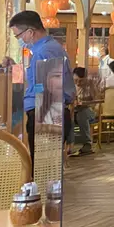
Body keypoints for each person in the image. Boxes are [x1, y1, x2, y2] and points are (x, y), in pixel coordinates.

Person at [9, 10, 74, 160]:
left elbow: (48, 90)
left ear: (30, 32)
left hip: (45, 114)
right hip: (46, 112)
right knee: (44, 164)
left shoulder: (45, 51)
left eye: (18, 36)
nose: (19, 40)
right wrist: (15, 68)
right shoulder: (45, 49)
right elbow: (35, 79)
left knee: (43, 166)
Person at [71, 67, 99, 155]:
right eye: (76, 80)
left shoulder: (90, 86)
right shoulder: (70, 87)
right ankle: (68, 145)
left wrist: (85, 102)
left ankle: (87, 144)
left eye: (81, 81)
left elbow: (97, 100)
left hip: (89, 111)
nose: (78, 83)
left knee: (82, 114)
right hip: (74, 111)